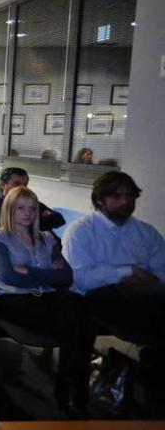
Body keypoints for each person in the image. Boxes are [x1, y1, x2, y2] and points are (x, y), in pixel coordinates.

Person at [62, 172, 165, 410]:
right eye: (117, 196)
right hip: (96, 299)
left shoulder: (145, 232)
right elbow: (81, 278)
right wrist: (128, 272)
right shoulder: (81, 231)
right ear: (100, 200)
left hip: (147, 296)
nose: (125, 202)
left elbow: (161, 270)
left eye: (130, 196)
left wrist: (143, 278)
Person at [0, 187, 92, 415]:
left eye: (32, 208)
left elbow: (65, 277)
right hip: (13, 300)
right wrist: (47, 272)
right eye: (21, 208)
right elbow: (9, 276)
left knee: (78, 311)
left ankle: (69, 388)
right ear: (9, 210)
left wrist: (31, 271)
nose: (28, 213)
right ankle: (74, 389)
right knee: (76, 323)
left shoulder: (47, 239)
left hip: (48, 298)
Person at [0, 167, 65, 232]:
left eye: (25, 184)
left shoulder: (32, 203)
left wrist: (26, 224)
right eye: (17, 184)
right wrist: (39, 220)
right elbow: (0, 238)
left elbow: (59, 219)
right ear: (2, 184)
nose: (22, 188)